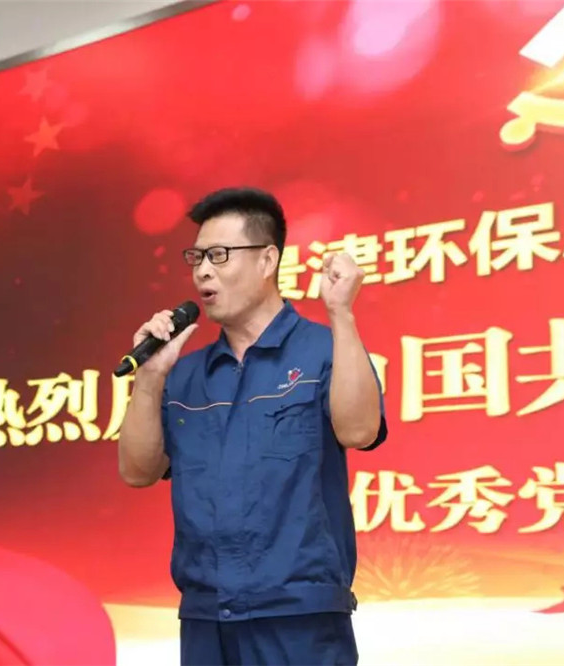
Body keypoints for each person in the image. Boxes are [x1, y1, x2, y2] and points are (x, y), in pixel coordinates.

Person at [118, 187, 387, 666]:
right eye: (196, 257)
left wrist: (341, 314)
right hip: (206, 619)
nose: (203, 271)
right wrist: (151, 377)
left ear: (267, 260)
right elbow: (138, 471)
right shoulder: (185, 373)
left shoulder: (323, 350)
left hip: (299, 617)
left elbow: (359, 430)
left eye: (219, 255)